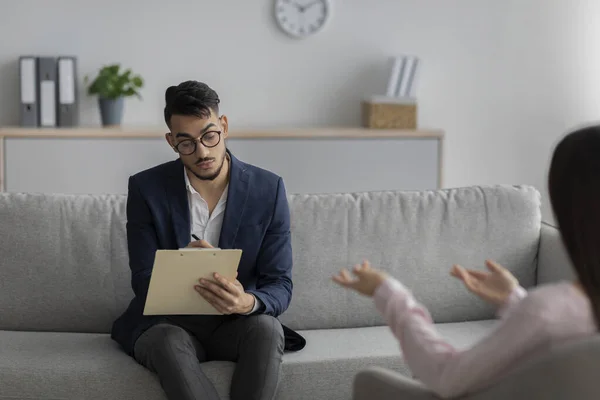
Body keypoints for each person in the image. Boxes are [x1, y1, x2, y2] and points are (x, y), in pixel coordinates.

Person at [333, 124, 600, 399]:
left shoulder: (547, 311)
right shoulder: (554, 314)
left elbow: (446, 376)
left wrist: (388, 293)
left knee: (371, 382)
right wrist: (514, 299)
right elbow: (552, 340)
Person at [111, 80, 305, 400]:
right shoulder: (146, 189)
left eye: (209, 135)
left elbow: (279, 284)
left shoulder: (268, 190)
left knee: (267, 328)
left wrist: (247, 302)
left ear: (224, 126)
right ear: (171, 141)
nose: (202, 151)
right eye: (186, 143)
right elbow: (143, 280)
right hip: (169, 324)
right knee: (166, 341)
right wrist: (181, 266)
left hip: (236, 324)